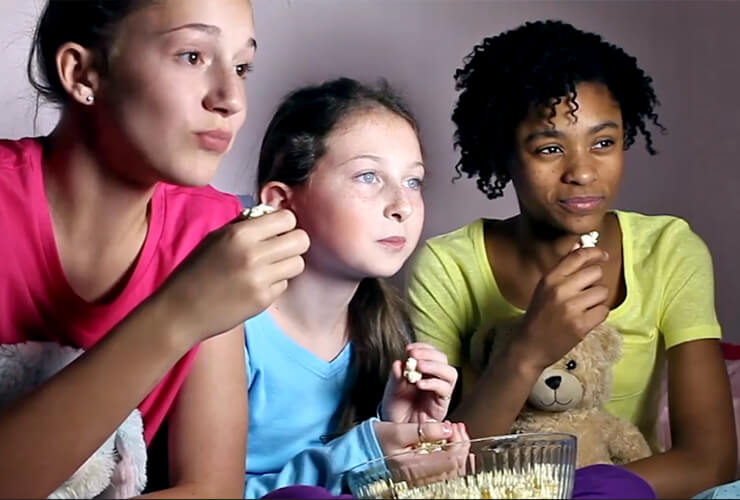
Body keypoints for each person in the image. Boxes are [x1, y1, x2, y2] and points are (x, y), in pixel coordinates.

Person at [407, 20, 737, 498]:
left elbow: (713, 461)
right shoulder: (447, 266)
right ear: (504, 155)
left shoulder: (669, 249)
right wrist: (527, 349)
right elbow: (446, 464)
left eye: (603, 143)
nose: (582, 172)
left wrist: (584, 490)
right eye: (549, 149)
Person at [0, 0, 309, 497]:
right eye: (192, 56)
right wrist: (181, 312)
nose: (231, 98)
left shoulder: (209, 228)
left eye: (242, 66)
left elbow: (210, 489)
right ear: (83, 72)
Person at [242, 77, 466, 498]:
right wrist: (363, 452)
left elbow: (370, 478)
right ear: (281, 202)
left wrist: (405, 432)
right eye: (367, 176)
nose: (401, 205)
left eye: (413, 181)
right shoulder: (235, 332)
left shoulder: (388, 328)